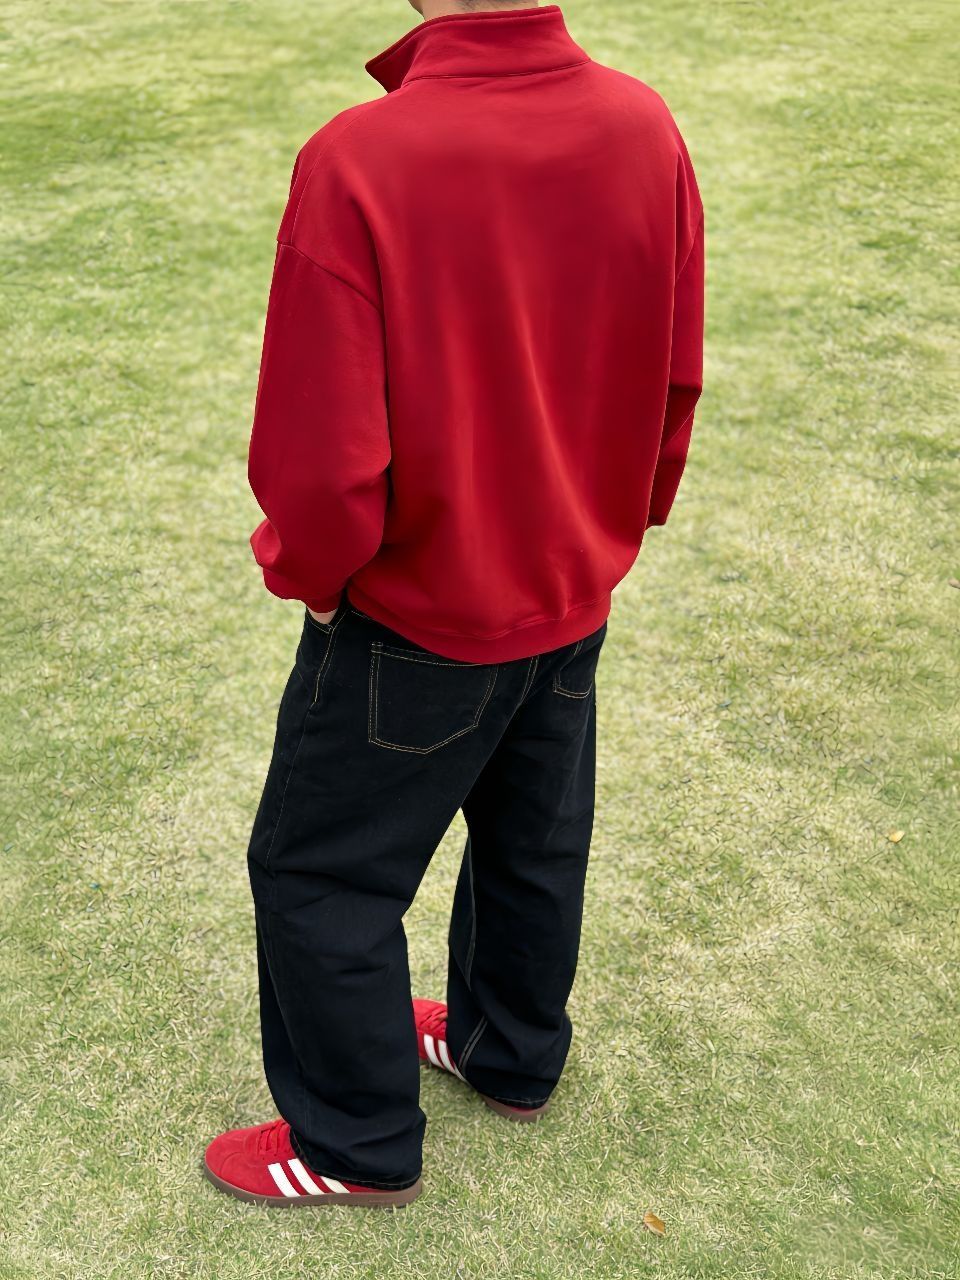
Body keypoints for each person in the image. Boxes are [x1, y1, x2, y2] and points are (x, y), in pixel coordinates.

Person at [203, 0, 703, 1208]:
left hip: (416, 610)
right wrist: (615, 526)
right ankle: (510, 1050)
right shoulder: (644, 125)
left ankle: (353, 1141)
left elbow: (322, 452)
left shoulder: (360, 158)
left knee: (319, 872)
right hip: (571, 585)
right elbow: (675, 370)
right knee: (534, 837)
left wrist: (312, 576)